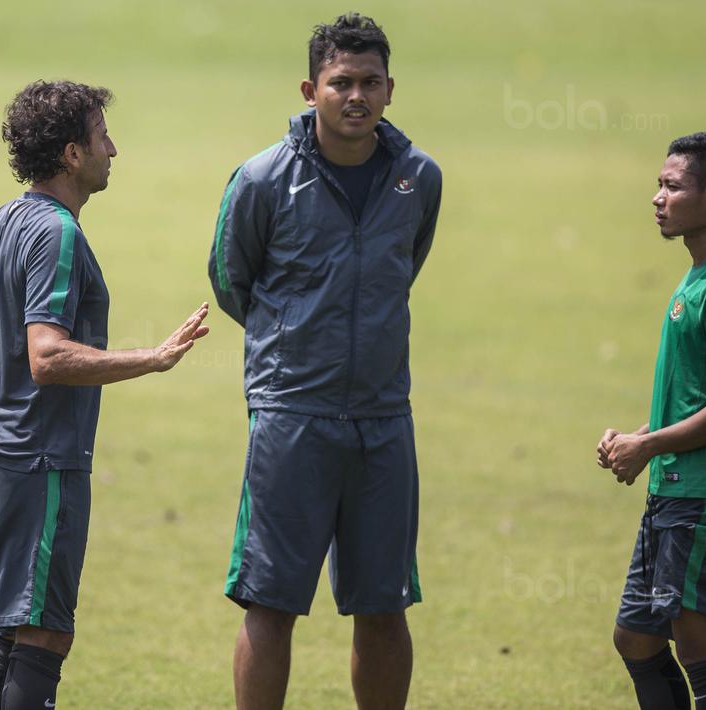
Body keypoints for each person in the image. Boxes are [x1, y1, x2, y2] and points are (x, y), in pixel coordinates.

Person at [0, 80, 209, 710]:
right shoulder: (58, 234)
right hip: (39, 458)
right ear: (71, 154)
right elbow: (48, 356)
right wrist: (154, 358)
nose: (113, 149)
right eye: (101, 137)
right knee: (43, 635)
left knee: (12, 633)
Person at [208, 13, 442, 710]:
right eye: (341, 82)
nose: (355, 96)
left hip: (382, 417)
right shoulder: (260, 179)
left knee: (383, 604)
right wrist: (291, 343)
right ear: (310, 89)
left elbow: (406, 267)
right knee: (270, 601)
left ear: (391, 89)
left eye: (370, 82)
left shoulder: (417, 176)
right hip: (291, 416)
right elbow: (230, 279)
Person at [598, 131, 706, 710]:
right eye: (658, 184)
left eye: (671, 186)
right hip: (673, 491)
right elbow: (699, 395)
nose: (657, 197)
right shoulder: (698, 274)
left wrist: (648, 448)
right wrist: (641, 438)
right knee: (637, 639)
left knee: (702, 652)